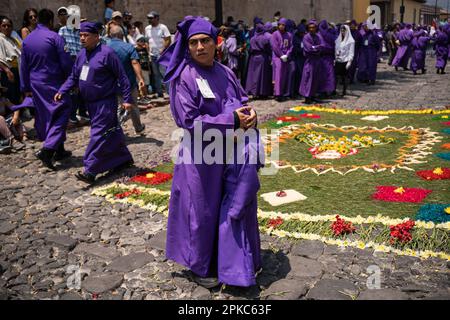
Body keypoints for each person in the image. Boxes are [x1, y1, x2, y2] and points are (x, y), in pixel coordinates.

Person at [159, 17, 261, 288]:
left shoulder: (225, 72)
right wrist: (233, 120)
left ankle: (219, 257)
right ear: (188, 47)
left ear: (216, 43)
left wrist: (250, 115)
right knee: (199, 211)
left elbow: (242, 101)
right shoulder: (185, 77)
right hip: (199, 157)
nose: (200, 47)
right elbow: (189, 122)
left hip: (226, 152)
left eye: (205, 41)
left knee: (221, 207)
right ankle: (197, 265)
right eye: (194, 43)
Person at [55, 21, 134, 183]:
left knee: (98, 135)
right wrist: (62, 90)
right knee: (113, 132)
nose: (82, 39)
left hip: (105, 103)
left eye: (86, 36)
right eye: (81, 35)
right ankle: (123, 159)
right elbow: (74, 76)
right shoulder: (81, 55)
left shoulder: (107, 53)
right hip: (89, 104)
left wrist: (127, 99)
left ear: (97, 37)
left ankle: (90, 170)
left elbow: (122, 77)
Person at [20, 9, 74, 169]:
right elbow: (65, 62)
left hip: (36, 85)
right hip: (54, 83)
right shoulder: (55, 37)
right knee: (63, 112)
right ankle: (48, 149)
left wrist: (25, 87)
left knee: (48, 115)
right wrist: (72, 80)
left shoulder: (28, 40)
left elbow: (23, 66)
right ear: (51, 21)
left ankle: (60, 149)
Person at [107, 25, 146, 134]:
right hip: (128, 83)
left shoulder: (105, 47)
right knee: (133, 106)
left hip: (111, 84)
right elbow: (135, 62)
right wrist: (141, 79)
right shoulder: (128, 47)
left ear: (110, 35)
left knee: (116, 107)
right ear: (122, 35)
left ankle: (116, 129)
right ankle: (138, 127)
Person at [145, 11, 171, 98]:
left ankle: (169, 92)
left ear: (157, 18)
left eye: (151, 18)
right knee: (155, 74)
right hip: (152, 55)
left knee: (164, 73)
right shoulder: (147, 28)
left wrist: (162, 50)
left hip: (161, 54)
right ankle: (159, 92)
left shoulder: (163, 27)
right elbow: (147, 41)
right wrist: (148, 51)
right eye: (149, 18)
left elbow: (168, 39)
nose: (150, 20)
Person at [245, 22, 272, 98]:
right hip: (263, 57)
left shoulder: (252, 38)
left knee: (253, 76)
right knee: (262, 76)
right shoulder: (265, 38)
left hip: (253, 58)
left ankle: (254, 92)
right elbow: (268, 49)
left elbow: (249, 49)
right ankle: (262, 93)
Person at [299, 20, 322, 104]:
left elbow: (321, 46)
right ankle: (307, 97)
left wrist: (314, 48)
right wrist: (315, 48)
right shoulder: (306, 37)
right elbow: (308, 48)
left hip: (317, 60)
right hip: (309, 60)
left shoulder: (318, 37)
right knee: (308, 78)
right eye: (310, 28)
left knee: (315, 78)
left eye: (313, 27)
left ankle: (313, 95)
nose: (312, 29)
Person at [0, 17, 22, 105]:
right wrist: (7, 71)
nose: (6, 28)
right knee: (10, 94)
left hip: (17, 69)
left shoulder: (12, 39)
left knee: (17, 92)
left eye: (8, 26)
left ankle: (19, 112)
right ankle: (13, 116)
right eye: (3, 25)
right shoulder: (0, 39)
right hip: (8, 70)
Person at [270, 18, 293, 102]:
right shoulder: (275, 34)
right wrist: (281, 55)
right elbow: (274, 46)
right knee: (278, 76)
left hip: (286, 58)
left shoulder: (289, 35)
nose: (281, 26)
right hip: (278, 57)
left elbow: (291, 46)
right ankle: (277, 94)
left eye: (283, 25)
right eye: (280, 25)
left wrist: (287, 54)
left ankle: (282, 93)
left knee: (284, 76)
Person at [318, 20, 337, 97]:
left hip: (321, 57)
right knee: (330, 74)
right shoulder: (330, 34)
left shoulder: (318, 35)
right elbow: (336, 40)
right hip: (329, 57)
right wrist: (334, 28)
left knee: (322, 75)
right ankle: (330, 90)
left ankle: (322, 91)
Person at [335, 24, 355, 96]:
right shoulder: (338, 40)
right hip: (338, 60)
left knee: (344, 77)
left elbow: (351, 52)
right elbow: (336, 49)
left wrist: (350, 61)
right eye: (341, 30)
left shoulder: (351, 41)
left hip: (345, 60)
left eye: (344, 31)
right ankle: (334, 90)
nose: (343, 32)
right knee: (336, 76)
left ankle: (344, 91)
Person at [291, 23, 306, 99]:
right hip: (297, 59)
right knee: (297, 75)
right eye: (301, 33)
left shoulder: (304, 38)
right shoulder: (295, 38)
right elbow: (295, 49)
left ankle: (301, 91)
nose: (302, 34)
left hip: (303, 59)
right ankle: (295, 92)